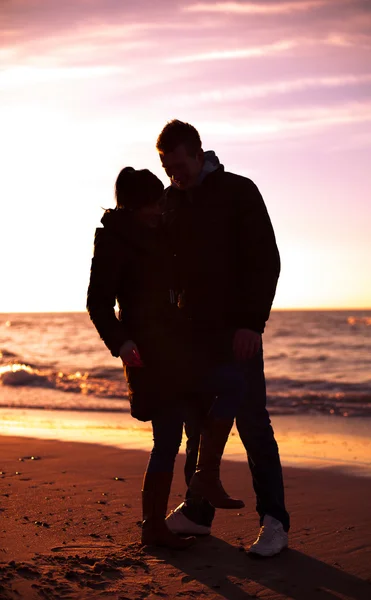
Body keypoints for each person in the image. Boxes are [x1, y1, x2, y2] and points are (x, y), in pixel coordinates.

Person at [87, 166, 246, 550]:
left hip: (179, 349)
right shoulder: (113, 241)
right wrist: (121, 344)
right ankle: (154, 526)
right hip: (147, 353)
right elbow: (97, 303)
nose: (161, 208)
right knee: (167, 438)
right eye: (154, 202)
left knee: (233, 383)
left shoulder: (161, 232)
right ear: (135, 205)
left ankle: (203, 476)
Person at [155, 120, 290, 557]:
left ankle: (274, 521)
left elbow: (266, 259)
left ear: (199, 153)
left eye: (179, 165)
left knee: (252, 422)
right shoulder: (169, 201)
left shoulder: (238, 191)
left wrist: (252, 323)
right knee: (198, 423)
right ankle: (198, 513)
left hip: (238, 332)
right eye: (165, 166)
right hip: (191, 337)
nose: (174, 174)